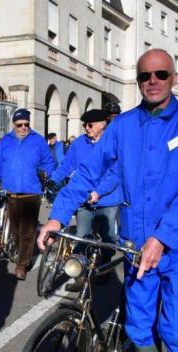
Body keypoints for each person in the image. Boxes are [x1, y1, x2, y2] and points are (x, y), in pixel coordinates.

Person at [38, 49, 178, 352]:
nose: (153, 81)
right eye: (145, 75)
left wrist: (162, 237)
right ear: (138, 80)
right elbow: (88, 172)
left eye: (160, 74)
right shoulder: (123, 126)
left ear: (173, 77)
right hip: (136, 245)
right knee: (138, 320)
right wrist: (56, 215)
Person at [46, 108, 121, 291]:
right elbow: (66, 165)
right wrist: (52, 180)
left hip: (108, 198)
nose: (86, 128)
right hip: (83, 196)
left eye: (90, 125)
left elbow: (114, 174)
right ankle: (78, 275)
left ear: (103, 124)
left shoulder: (113, 143)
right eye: (84, 125)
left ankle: (104, 266)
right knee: (80, 235)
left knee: (107, 235)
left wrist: (98, 192)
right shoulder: (79, 143)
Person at [0, 109, 56, 280]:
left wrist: (46, 173)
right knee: (16, 233)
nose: (23, 127)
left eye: (26, 124)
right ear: (14, 124)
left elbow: (50, 162)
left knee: (28, 231)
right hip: (11, 193)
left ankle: (22, 265)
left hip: (31, 193)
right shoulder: (6, 141)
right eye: (20, 124)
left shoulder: (38, 141)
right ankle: (24, 256)